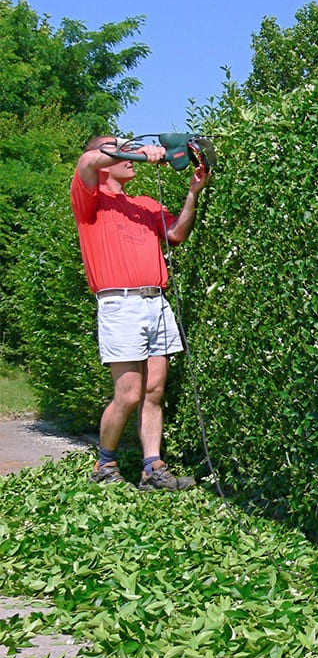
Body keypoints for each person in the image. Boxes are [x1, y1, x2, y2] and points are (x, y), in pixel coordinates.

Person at [70, 135, 211, 491]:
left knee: (154, 390)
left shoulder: (144, 204)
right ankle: (105, 463)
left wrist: (193, 191)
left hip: (155, 302)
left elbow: (176, 233)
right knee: (129, 393)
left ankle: (153, 468)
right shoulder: (91, 199)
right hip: (120, 303)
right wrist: (143, 153)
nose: (130, 154)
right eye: (121, 148)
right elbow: (87, 162)